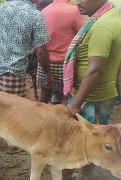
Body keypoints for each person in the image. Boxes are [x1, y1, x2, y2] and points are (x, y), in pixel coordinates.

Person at [63, 0, 121, 178]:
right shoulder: (111, 15)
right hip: (102, 94)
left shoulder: (102, 27)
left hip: (92, 98)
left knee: (74, 142)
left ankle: (70, 176)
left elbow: (95, 69)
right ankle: (84, 175)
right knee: (97, 139)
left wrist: (75, 104)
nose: (78, 2)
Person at [0, 0, 51, 97]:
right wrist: (48, 73)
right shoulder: (35, 15)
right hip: (13, 72)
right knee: (11, 109)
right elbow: (41, 51)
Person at [36, 0, 84, 103]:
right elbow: (83, 34)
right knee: (65, 97)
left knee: (43, 96)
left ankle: (38, 117)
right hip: (66, 64)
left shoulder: (44, 11)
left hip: (45, 62)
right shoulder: (73, 11)